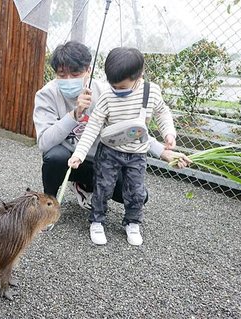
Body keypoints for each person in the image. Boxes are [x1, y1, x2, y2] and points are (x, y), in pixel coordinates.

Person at [33, 41, 190, 231]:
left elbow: (128, 131)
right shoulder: (46, 95)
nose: (68, 79)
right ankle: (48, 207)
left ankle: (86, 186)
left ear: (88, 70)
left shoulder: (107, 93)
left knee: (138, 195)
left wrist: (161, 151)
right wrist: (74, 115)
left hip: (105, 161)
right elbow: (44, 143)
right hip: (70, 160)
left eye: (75, 74)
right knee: (53, 157)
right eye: (61, 75)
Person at [68, 46, 177, 246]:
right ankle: (97, 220)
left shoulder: (150, 92)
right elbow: (92, 127)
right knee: (103, 187)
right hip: (109, 152)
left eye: (122, 87)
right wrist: (79, 154)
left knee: (136, 191)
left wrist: (169, 133)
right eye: (113, 86)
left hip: (137, 153)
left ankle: (133, 222)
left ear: (139, 75)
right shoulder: (107, 97)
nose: (116, 90)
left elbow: (162, 113)